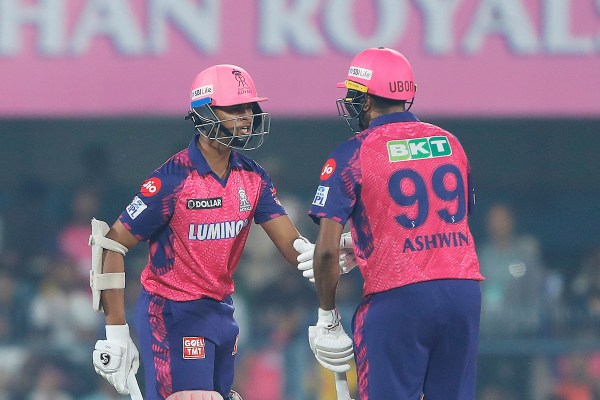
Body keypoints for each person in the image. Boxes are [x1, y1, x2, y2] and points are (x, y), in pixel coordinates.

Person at [88, 64, 351, 400]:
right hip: (174, 312)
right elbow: (111, 243)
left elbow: (292, 245)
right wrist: (116, 333)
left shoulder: (253, 176)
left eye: (249, 108)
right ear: (205, 112)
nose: (246, 116)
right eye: (236, 108)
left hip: (222, 311)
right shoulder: (171, 180)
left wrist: (326, 252)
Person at [303, 47, 484, 399]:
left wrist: (327, 316)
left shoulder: (353, 152)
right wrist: (363, 246)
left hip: (398, 296)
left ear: (367, 101)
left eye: (354, 95)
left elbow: (324, 254)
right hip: (463, 292)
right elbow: (447, 225)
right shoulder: (450, 142)